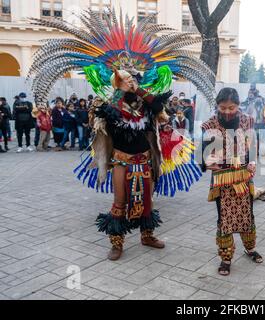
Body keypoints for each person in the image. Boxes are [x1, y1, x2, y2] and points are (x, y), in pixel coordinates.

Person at [29, 8, 216, 261]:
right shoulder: (109, 104)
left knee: (147, 200)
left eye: (134, 79)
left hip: (144, 160)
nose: (131, 82)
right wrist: (119, 90)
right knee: (120, 200)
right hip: (121, 160)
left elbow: (161, 111)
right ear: (117, 82)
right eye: (126, 79)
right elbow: (99, 117)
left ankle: (147, 235)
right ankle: (117, 243)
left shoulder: (147, 103)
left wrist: (139, 91)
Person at [201, 88, 262, 276]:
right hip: (222, 178)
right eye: (223, 107)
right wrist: (208, 162)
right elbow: (203, 153)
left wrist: (252, 162)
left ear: (238, 105)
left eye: (231, 107)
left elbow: (253, 145)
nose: (227, 111)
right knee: (225, 219)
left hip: (243, 176)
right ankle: (226, 258)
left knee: (247, 214)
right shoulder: (209, 124)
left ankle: (250, 248)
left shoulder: (247, 120)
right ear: (217, 105)